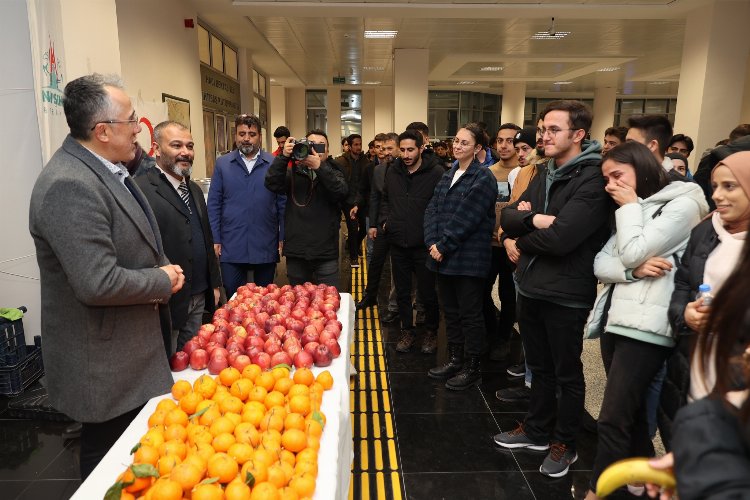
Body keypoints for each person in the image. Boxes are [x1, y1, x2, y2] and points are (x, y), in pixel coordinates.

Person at [29, 73, 184, 479]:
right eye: (131, 120)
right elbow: (96, 282)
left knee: (135, 459)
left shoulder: (109, 167)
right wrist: (161, 280)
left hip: (129, 353)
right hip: (105, 363)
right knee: (109, 466)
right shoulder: (69, 184)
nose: (139, 128)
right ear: (102, 131)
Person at [582, 141, 708, 500]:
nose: (611, 185)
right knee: (633, 412)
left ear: (642, 166)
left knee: (612, 416)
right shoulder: (641, 208)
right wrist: (634, 272)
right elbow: (602, 263)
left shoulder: (682, 205)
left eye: (617, 175)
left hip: (649, 327)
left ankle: (595, 492)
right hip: (618, 318)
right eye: (606, 178)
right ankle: (640, 477)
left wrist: (630, 211)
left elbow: (632, 249)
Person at [495, 100, 611, 478]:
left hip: (566, 291)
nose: (543, 135)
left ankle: (566, 443)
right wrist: (532, 219)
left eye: (553, 130)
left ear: (578, 135)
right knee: (539, 367)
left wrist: (521, 238)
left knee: (566, 373)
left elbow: (563, 238)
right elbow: (508, 215)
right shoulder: (544, 171)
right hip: (530, 284)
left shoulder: (593, 179)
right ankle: (537, 430)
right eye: (542, 129)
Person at [661, 150, 750, 447]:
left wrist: (728, 318)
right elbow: (683, 282)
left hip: (739, 374)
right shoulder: (705, 231)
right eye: (715, 187)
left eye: (730, 186)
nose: (718, 196)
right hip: (695, 361)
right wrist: (684, 314)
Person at [134, 121, 222, 353]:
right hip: (168, 301)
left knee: (193, 360)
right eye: (176, 145)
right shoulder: (140, 190)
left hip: (199, 296)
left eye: (190, 146)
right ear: (156, 149)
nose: (185, 152)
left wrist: (214, 284)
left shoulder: (192, 188)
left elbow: (206, 236)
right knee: (170, 363)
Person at [425, 123, 497, 390]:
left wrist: (443, 245)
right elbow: (432, 209)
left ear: (478, 148)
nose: (457, 146)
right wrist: (432, 242)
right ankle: (455, 360)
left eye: (464, 143)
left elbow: (467, 217)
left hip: (467, 259)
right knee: (451, 312)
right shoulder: (449, 173)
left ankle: (473, 366)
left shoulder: (483, 178)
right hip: (442, 257)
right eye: (455, 140)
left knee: (470, 314)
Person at [208, 114, 285, 297]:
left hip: (265, 242)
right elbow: (214, 204)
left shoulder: (273, 164)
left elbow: (282, 203)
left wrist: (283, 237)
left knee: (265, 299)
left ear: (259, 136)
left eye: (252, 134)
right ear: (235, 136)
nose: (246, 138)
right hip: (231, 244)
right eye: (242, 134)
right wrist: (215, 239)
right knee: (234, 300)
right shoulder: (223, 164)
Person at [380, 130, 443, 353]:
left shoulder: (436, 173)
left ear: (421, 149)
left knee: (428, 293)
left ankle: (431, 333)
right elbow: (385, 199)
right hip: (398, 243)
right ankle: (407, 331)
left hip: (424, 245)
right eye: (403, 150)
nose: (406, 155)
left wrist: (434, 236)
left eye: (411, 150)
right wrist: (386, 221)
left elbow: (440, 207)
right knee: (403, 293)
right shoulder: (393, 170)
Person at [265, 129, 348, 287]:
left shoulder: (335, 170)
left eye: (321, 146)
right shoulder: (293, 173)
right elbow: (272, 183)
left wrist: (319, 167)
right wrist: (284, 157)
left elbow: (341, 192)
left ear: (328, 151)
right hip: (297, 252)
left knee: (329, 301)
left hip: (325, 252)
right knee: (298, 303)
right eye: (312, 146)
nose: (315, 150)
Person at [483, 123, 523, 362]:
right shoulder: (487, 172)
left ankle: (504, 337)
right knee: (481, 292)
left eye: (510, 141)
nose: (504, 145)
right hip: (488, 245)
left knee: (509, 296)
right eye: (500, 140)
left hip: (513, 247)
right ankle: (492, 330)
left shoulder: (527, 172)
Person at [336, 133, 369, 266]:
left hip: (361, 200)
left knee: (365, 228)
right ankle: (353, 256)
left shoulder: (365, 161)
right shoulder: (341, 161)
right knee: (353, 228)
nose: (359, 147)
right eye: (356, 144)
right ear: (349, 146)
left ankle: (351, 243)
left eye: (360, 144)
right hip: (348, 201)